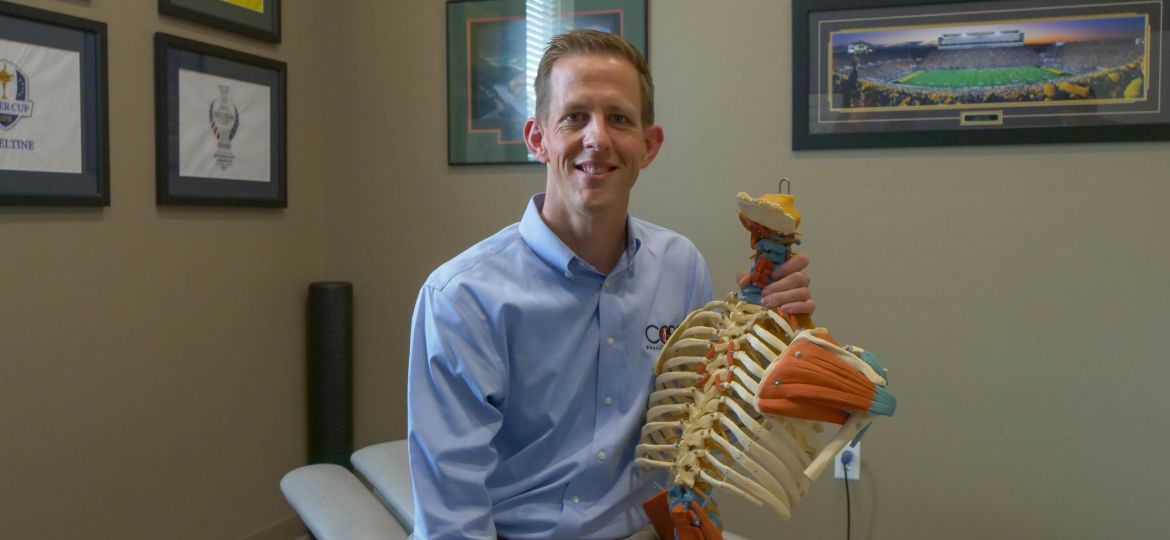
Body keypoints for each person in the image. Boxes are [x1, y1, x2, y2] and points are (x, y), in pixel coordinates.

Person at [407, 29, 814, 539]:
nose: (596, 138)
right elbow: (453, 518)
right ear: (538, 139)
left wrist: (776, 331)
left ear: (649, 145)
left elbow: (705, 427)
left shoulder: (680, 266)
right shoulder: (462, 299)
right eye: (575, 116)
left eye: (618, 118)